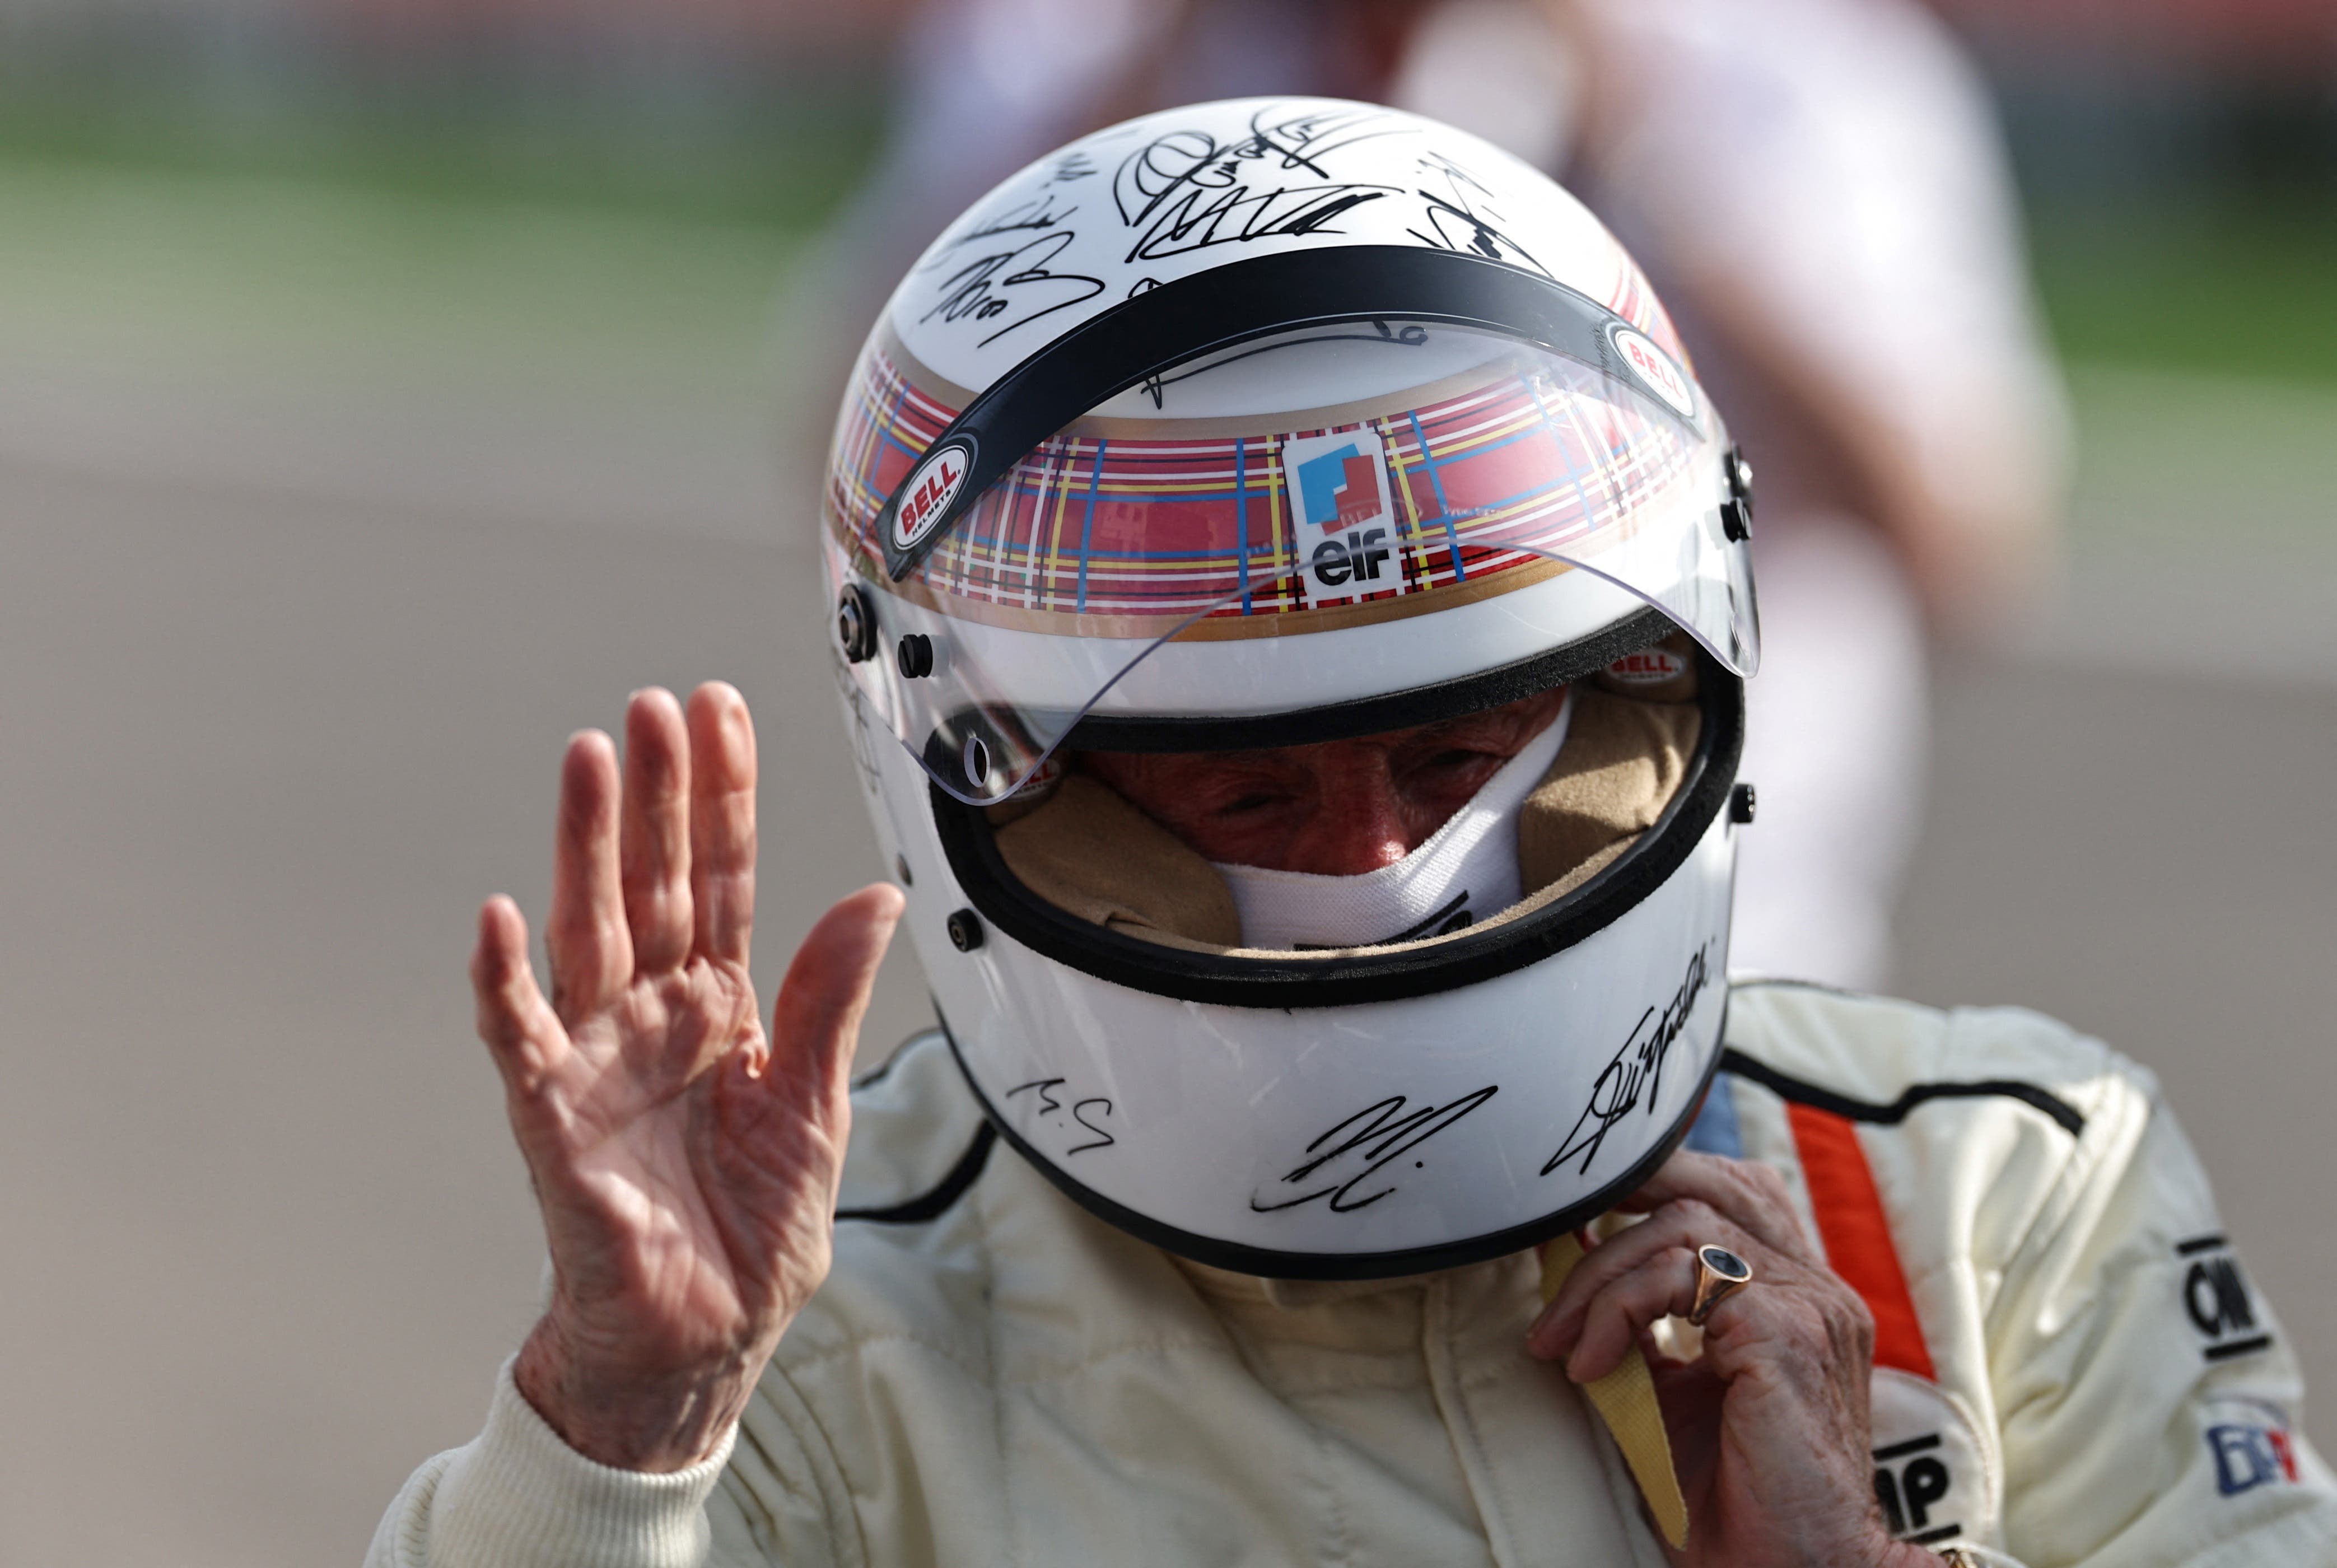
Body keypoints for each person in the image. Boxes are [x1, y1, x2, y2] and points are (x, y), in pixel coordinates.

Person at [373, 102, 2331, 1566]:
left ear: (1646, 710)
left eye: (1463, 745)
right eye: (1246, 788)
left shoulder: (2004, 1187)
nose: (1383, 864)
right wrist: (625, 1424)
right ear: (1002, 791)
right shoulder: (826, 1320)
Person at [787, 0, 2068, 990]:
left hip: (1717, 946)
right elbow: (857, 462)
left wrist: (1646, 160)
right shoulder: (1079, 50)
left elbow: (1957, 541)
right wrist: (1138, 122)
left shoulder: (1795, 72)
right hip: (1202, 964)